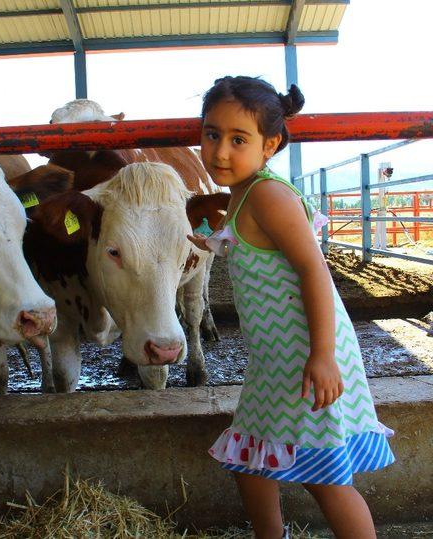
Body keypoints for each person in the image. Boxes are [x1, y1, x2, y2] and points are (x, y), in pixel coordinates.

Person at [188, 76, 395, 539]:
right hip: (276, 361)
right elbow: (259, 252)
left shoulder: (268, 195)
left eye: (238, 139)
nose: (220, 151)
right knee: (250, 461)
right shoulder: (242, 193)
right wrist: (212, 242)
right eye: (212, 134)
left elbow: (313, 271)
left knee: (323, 478)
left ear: (270, 144)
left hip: (307, 354)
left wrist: (322, 355)